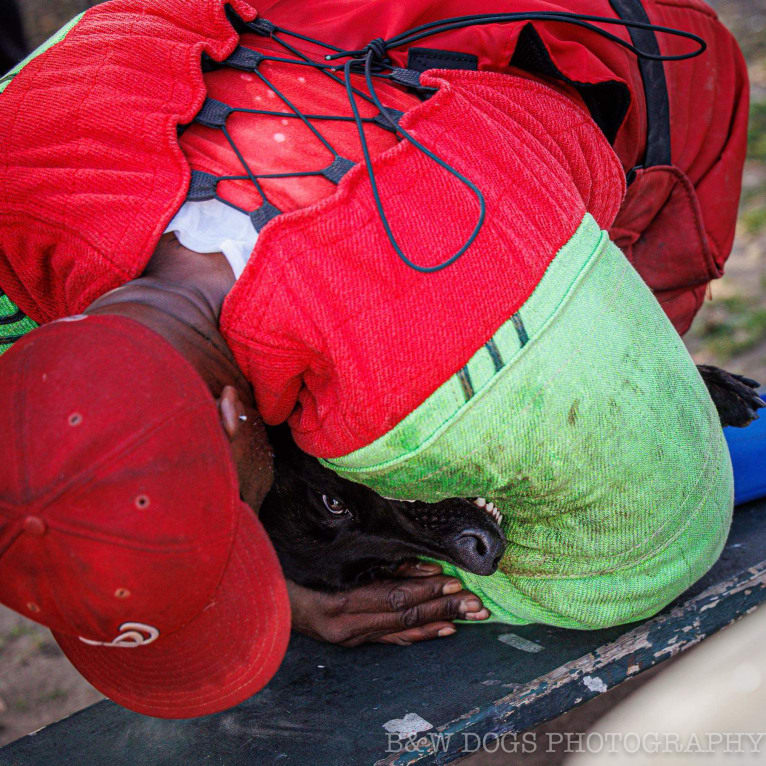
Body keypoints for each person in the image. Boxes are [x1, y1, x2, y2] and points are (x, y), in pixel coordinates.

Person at [0, 0, 750, 715]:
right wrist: (279, 601)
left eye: (234, 534)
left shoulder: (429, 367)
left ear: (234, 417)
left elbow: (647, 553)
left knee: (666, 403)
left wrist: (432, 595)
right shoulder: (20, 156)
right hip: (341, 45)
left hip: (637, 62)